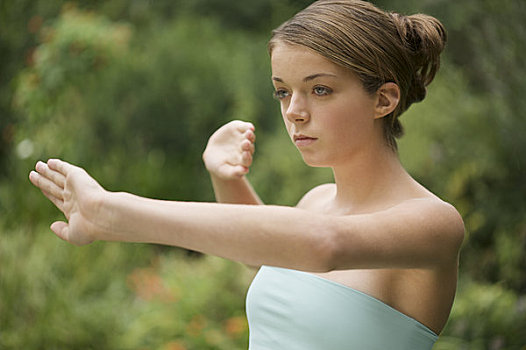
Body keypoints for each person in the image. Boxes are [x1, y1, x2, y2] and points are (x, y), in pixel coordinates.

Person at [29, 0, 464, 348]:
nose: (294, 111)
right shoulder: (317, 202)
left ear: (384, 99)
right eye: (282, 91)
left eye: (320, 90)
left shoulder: (435, 223)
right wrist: (228, 178)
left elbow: (322, 245)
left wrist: (111, 212)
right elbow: (272, 254)